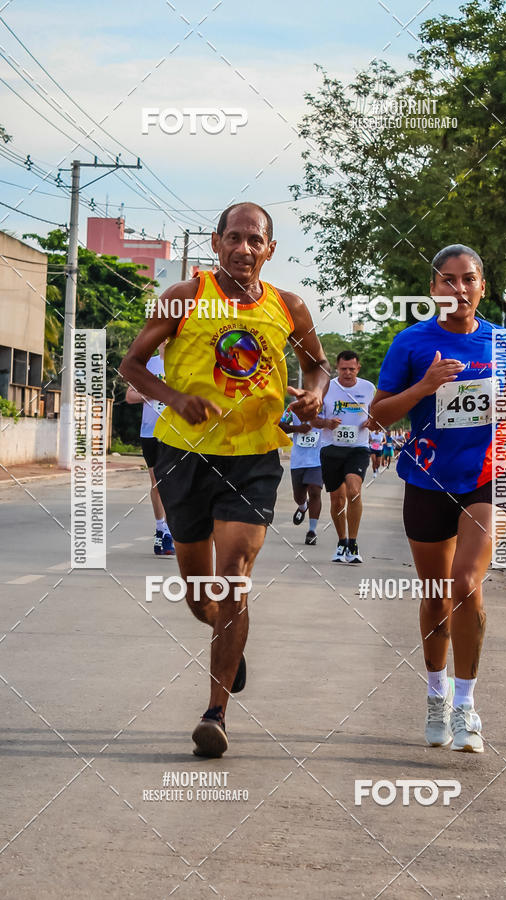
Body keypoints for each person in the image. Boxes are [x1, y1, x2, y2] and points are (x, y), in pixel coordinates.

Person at [120, 202, 329, 758]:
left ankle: (215, 713)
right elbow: (133, 365)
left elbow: (316, 364)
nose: (243, 248)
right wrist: (175, 398)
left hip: (255, 456)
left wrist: (313, 393)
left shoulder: (289, 306)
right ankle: (225, 639)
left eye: (254, 240)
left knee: (234, 575)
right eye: (233, 238)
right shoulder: (185, 297)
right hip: (182, 454)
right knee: (200, 595)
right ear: (216, 244)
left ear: (270, 249)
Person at [371, 244, 506, 753]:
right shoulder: (411, 342)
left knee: (466, 583)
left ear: (482, 286)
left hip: (487, 477)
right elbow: (376, 417)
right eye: (447, 280)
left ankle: (466, 706)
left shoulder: (502, 341)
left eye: (467, 279)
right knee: (437, 593)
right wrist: (424, 387)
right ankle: (436, 692)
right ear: (432, 289)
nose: (457, 289)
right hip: (427, 479)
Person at [313, 350, 375, 564]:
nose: (347, 373)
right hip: (331, 447)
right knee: (337, 499)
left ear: (358, 368)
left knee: (354, 491)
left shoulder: (368, 388)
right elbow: (313, 420)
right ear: (337, 368)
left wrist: (371, 422)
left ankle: (354, 543)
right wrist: (326, 423)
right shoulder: (327, 387)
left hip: (358, 448)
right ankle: (342, 542)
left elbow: (377, 414)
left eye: (351, 369)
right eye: (343, 369)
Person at [125, 341, 175, 556]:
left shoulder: (183, 365)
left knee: (173, 481)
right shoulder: (148, 365)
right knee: (157, 481)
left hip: (176, 433)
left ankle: (171, 530)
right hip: (150, 432)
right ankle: (161, 529)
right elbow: (129, 396)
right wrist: (150, 394)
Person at [280, 407, 323, 544]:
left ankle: (312, 531)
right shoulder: (293, 408)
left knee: (315, 492)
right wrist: (298, 428)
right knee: (298, 496)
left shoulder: (326, 406)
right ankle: (303, 506)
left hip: (318, 459)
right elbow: (280, 425)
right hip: (298, 461)